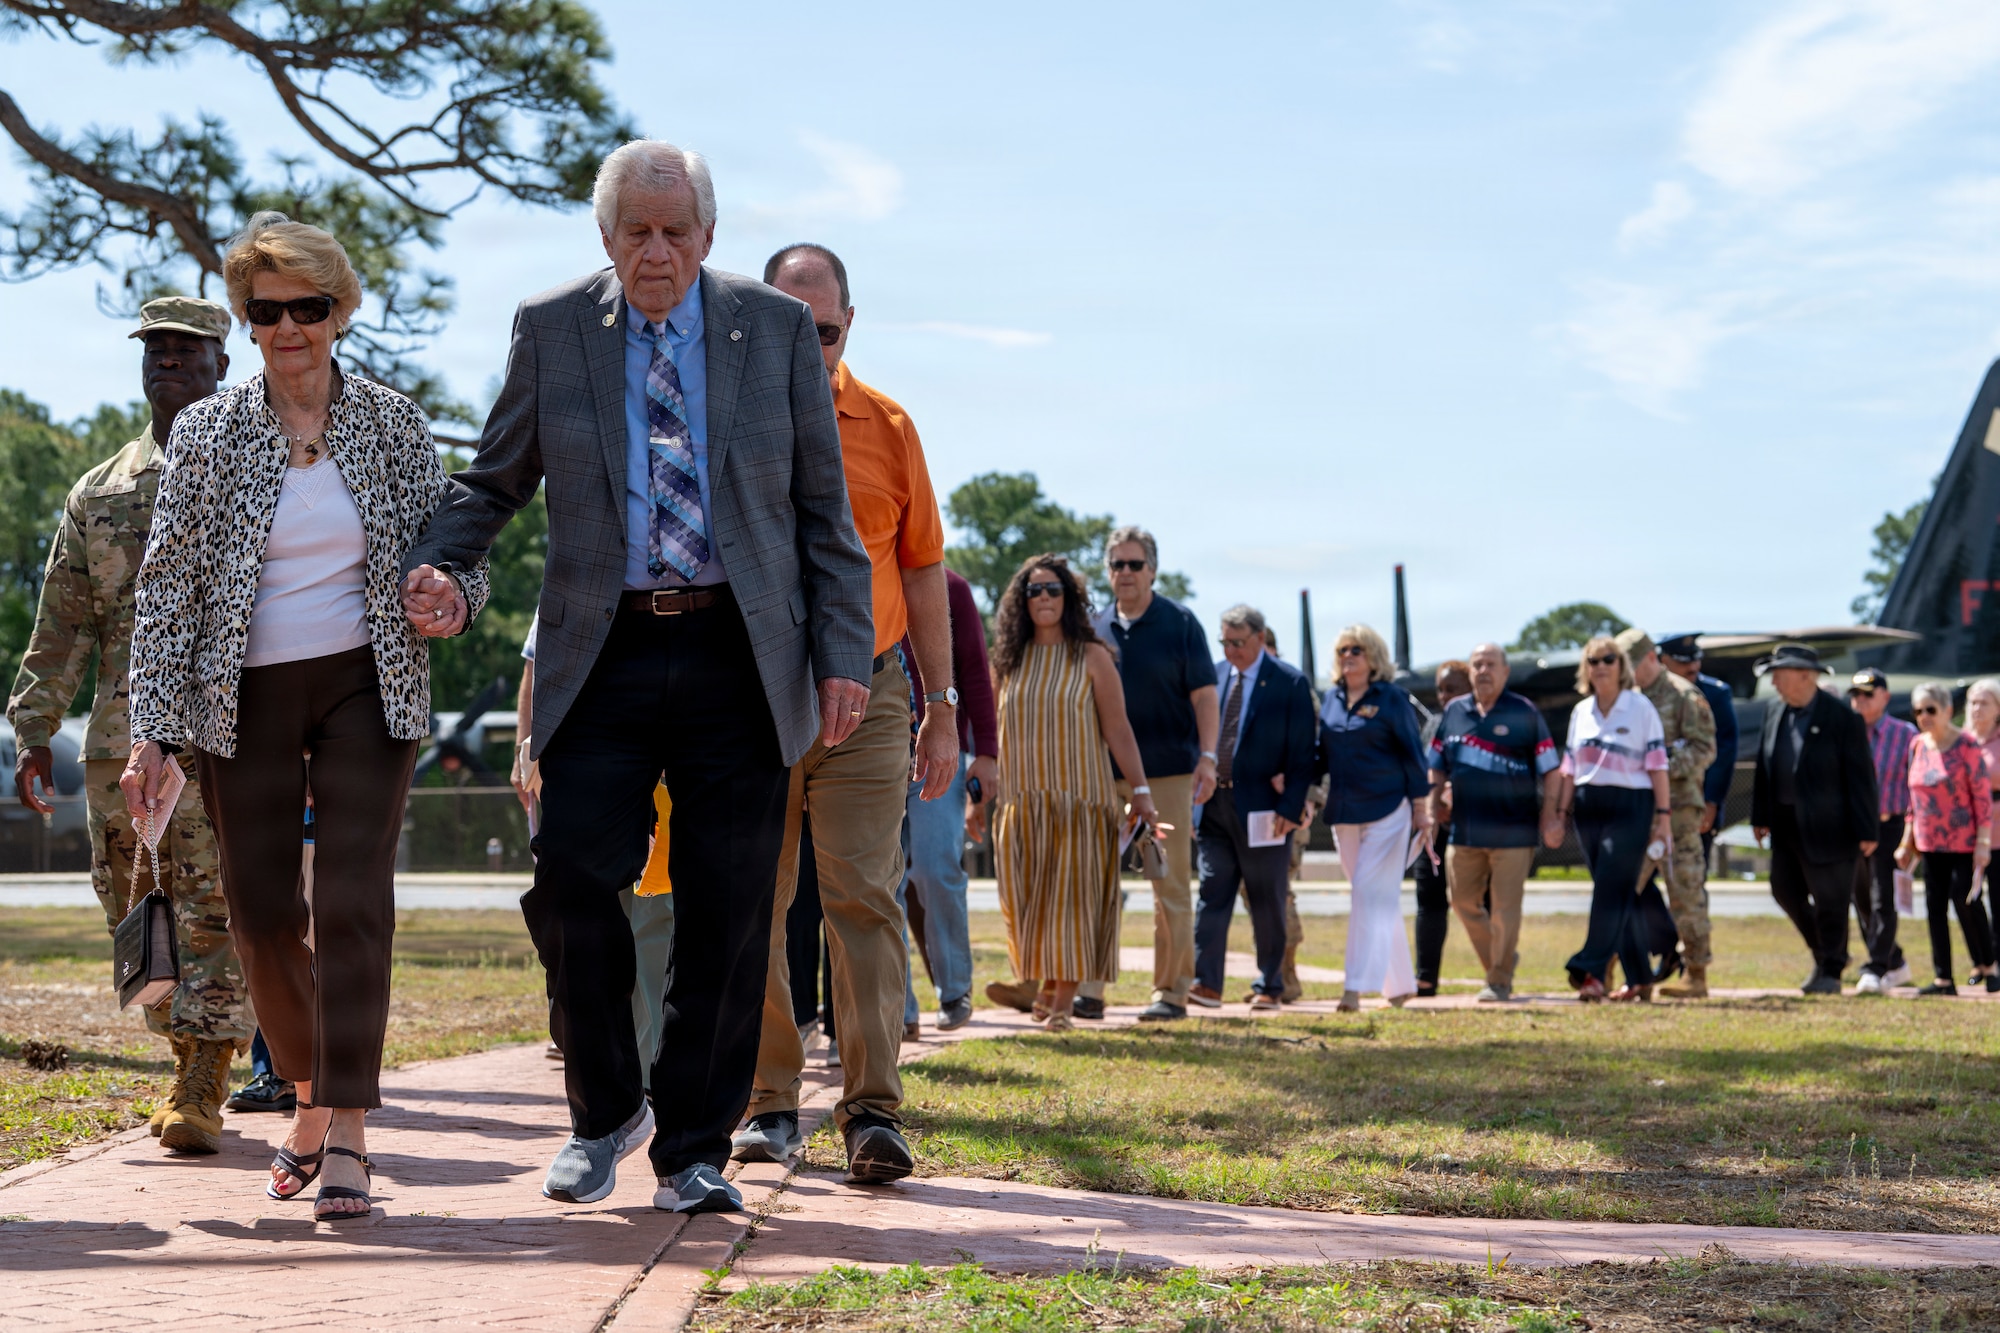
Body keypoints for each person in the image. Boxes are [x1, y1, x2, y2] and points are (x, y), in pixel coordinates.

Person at [397, 141, 873, 1215]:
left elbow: (822, 517)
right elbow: (494, 474)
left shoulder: (777, 330)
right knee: (569, 875)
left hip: (740, 652)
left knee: (728, 905)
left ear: (707, 236)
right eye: (633, 232)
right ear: (604, 237)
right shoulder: (552, 327)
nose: (654, 252)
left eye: (674, 231)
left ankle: (693, 1147)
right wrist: (442, 561)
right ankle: (605, 1108)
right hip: (599, 645)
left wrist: (843, 654)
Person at [122, 215, 489, 1219]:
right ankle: (316, 1097)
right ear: (246, 320)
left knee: (355, 900)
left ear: (339, 311)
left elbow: (455, 548)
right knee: (263, 915)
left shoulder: (393, 422)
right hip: (240, 697)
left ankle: (348, 1133)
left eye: (309, 307)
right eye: (268, 309)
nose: (290, 328)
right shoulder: (209, 433)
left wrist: (452, 592)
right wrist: (152, 726)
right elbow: (166, 591)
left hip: (370, 684)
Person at [8, 295, 254, 1156]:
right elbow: (63, 622)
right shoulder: (102, 490)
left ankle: (206, 1074)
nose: (170, 365)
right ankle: (190, 1048)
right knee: (136, 905)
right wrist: (35, 726)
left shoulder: (260, 471)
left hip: (231, 734)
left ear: (224, 365)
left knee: (215, 901)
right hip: (122, 745)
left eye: (189, 353)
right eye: (156, 351)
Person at [733, 243, 956, 1180]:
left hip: (872, 692)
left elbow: (922, 567)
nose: (806, 344)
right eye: (786, 324)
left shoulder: (890, 425)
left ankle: (871, 1109)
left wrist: (942, 707)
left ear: (848, 326)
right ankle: (769, 1101)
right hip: (753, 691)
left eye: (821, 330)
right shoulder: (728, 418)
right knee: (755, 899)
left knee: (863, 897)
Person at [990, 555, 1159, 1030]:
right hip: (1022, 805)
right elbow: (992, 731)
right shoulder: (1007, 661)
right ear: (1020, 603)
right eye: (1033, 591)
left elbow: (1118, 730)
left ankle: (1063, 1003)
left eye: (1053, 589)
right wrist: (978, 797)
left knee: (1071, 904)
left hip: (1080, 802)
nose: (1043, 598)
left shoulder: (1092, 656)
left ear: (1070, 598)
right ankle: (1045, 985)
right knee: (1028, 906)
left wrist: (1141, 792)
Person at [513, 615, 677, 1070]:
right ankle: (591, 1044)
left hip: (658, 759)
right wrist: (525, 745)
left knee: (653, 915)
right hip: (581, 760)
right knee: (579, 908)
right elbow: (535, 664)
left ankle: (645, 1065)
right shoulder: (569, 569)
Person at [1087, 527, 1219, 1021]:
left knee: (1168, 884)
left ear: (1153, 570)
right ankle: (1089, 988)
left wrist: (1208, 757)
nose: (1125, 573)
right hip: (1103, 775)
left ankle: (1171, 992)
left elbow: (1205, 696)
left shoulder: (1181, 623)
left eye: (1134, 564)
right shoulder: (1095, 628)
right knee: (1095, 882)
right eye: (1117, 564)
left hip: (1166, 775)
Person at [1190, 605, 1316, 1010]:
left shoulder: (1289, 682)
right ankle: (1207, 984)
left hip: (1265, 810)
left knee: (1266, 899)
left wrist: (1291, 807)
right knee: (1212, 893)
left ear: (1260, 639)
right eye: (1224, 642)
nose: (1230, 651)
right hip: (1214, 804)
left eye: (1238, 642)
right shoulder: (1213, 675)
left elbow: (1302, 754)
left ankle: (1270, 985)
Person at [1427, 643, 1560, 1003]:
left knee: (1504, 910)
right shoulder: (1454, 712)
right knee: (1462, 903)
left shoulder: (1524, 713)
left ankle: (1499, 979)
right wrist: (1432, 804)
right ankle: (1502, 959)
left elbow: (1551, 770)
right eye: (1477, 665)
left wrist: (1551, 814)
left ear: (1505, 672)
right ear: (1469, 672)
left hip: (1514, 833)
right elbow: (1436, 764)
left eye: (1490, 664)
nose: (1483, 670)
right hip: (1465, 830)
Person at [898, 567, 1000, 1032]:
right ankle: (897, 1009)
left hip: (939, 748)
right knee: (878, 883)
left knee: (937, 867)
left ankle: (954, 989)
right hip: (864, 749)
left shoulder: (953, 585)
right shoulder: (852, 570)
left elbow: (976, 672)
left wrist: (988, 755)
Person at [1749, 644, 1878, 996]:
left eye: (1780, 674)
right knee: (1784, 889)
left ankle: (1831, 971)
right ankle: (1825, 954)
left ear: (1806, 675)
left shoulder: (1841, 717)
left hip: (1832, 828)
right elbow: (1765, 765)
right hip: (1785, 823)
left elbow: (1861, 777)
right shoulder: (1774, 711)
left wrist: (1867, 829)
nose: (1774, 682)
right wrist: (1760, 815)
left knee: (1831, 900)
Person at [1547, 638, 1671, 1001]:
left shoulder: (1640, 707)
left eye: (1609, 659)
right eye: (1593, 660)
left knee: (1609, 885)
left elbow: (1658, 765)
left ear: (1622, 666)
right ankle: (1640, 976)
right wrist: (1560, 813)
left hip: (1631, 803)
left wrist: (1663, 818)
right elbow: (1570, 769)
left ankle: (1590, 967)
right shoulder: (1581, 712)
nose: (1601, 665)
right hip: (1588, 805)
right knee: (1619, 892)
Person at [1317, 623, 1430, 1012]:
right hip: (1344, 814)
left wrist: (1422, 808)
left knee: (1366, 895)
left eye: (1356, 650)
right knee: (1378, 899)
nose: (1348, 656)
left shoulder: (1392, 698)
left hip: (1388, 810)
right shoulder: (1330, 700)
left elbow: (1414, 754)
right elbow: (1321, 755)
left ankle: (1354, 989)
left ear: (1373, 657)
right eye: (1342, 650)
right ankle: (1399, 985)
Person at [1617, 628, 1717, 998]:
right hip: (1637, 813)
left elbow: (1705, 749)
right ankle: (1614, 969)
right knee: (1621, 893)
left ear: (1648, 659)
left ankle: (1696, 975)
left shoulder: (1683, 695)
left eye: (1627, 664)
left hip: (1678, 816)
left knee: (1686, 894)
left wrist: (1658, 765)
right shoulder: (1628, 699)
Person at [1894, 681, 1994, 996]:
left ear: (1947, 710)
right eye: (1918, 711)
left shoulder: (1966, 745)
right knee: (1934, 907)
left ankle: (1988, 965)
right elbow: (1913, 800)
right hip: (1929, 843)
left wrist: (1982, 842)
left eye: (1930, 710)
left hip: (1963, 841)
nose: (1924, 716)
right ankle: (1943, 979)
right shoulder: (1917, 745)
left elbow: (1982, 799)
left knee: (1966, 902)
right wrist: (1906, 841)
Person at [1846, 668, 1916, 994]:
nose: (1859, 700)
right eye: (1855, 695)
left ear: (1885, 696)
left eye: (1867, 694)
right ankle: (1895, 961)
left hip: (1890, 824)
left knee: (1881, 896)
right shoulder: (1847, 732)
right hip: (1855, 825)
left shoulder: (1905, 734)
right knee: (1859, 898)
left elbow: (1915, 786)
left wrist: (1910, 835)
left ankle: (1874, 967)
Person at [1413, 660, 1472, 998]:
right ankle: (1425, 978)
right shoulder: (1434, 725)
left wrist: (1455, 795)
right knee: (1429, 901)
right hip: (1433, 827)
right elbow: (1425, 766)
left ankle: (1499, 967)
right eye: (1441, 689)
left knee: (1479, 902)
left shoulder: (1481, 722)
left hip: (1471, 827)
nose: (1445, 696)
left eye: (1453, 688)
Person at [1965, 676, 2000, 988]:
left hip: (1998, 833)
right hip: (1964, 836)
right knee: (1966, 900)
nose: (1977, 708)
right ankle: (1982, 962)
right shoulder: (1960, 740)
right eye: (1973, 702)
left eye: (1984, 702)